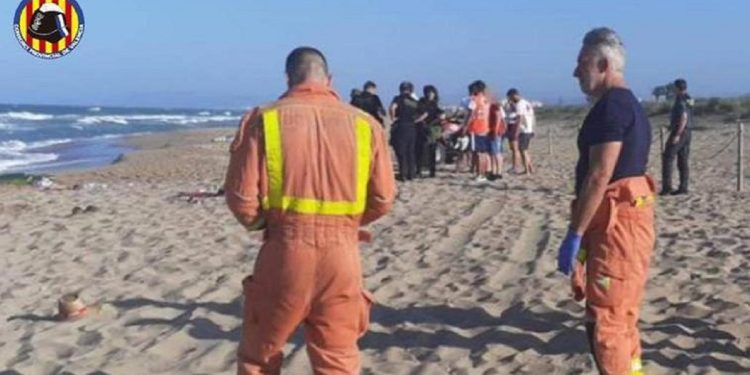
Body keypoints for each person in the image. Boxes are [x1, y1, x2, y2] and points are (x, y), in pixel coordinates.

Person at [225, 46, 396, 375]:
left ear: (289, 77)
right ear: (329, 79)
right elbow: (383, 199)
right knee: (338, 358)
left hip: (285, 250)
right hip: (343, 255)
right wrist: (346, 224)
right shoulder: (366, 125)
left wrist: (267, 223)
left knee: (259, 356)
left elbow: (241, 199)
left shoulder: (264, 119)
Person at [558, 28, 656, 375]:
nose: (575, 73)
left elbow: (601, 174)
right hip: (622, 224)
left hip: (618, 228)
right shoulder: (626, 104)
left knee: (608, 324)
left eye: (581, 64)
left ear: (602, 64)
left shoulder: (613, 107)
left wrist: (574, 233)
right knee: (621, 318)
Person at [660, 78, 693, 195]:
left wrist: (677, 134)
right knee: (683, 159)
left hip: (681, 131)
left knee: (668, 157)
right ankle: (683, 187)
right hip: (688, 131)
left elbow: (683, 116)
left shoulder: (680, 100)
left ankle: (667, 187)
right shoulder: (689, 98)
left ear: (677, 88)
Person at [390, 81, 420, 181]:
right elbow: (421, 113)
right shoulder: (414, 101)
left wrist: (393, 118)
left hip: (401, 126)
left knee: (401, 151)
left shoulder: (398, 98)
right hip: (412, 127)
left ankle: (403, 174)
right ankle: (411, 174)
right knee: (410, 151)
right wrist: (415, 121)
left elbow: (392, 108)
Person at [464, 80, 492, 182]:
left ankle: (481, 174)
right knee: (483, 153)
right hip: (486, 128)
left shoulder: (474, 100)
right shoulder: (486, 100)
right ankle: (483, 173)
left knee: (478, 153)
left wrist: (465, 127)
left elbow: (470, 115)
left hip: (476, 128)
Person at [416, 85, 443, 178]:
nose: (431, 95)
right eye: (429, 93)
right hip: (423, 128)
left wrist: (441, 114)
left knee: (433, 150)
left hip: (434, 129)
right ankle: (418, 170)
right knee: (421, 150)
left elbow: (438, 112)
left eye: (432, 93)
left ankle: (432, 171)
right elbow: (420, 113)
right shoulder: (421, 102)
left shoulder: (434, 103)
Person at [508, 89, 536, 174]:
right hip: (529, 128)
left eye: (510, 97)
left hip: (524, 130)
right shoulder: (526, 103)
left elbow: (520, 118)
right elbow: (532, 117)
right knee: (525, 150)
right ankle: (530, 168)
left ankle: (527, 170)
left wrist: (516, 131)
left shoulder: (520, 104)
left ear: (514, 95)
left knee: (522, 150)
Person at [503, 92, 523, 173]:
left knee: (515, 148)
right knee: (513, 148)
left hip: (514, 125)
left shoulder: (518, 105)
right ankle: (515, 165)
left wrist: (511, 104)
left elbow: (518, 115)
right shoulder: (509, 104)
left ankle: (516, 166)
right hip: (510, 125)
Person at [488, 97, 506, 180]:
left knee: (496, 153)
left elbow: (498, 118)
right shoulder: (492, 107)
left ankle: (498, 172)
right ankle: (495, 171)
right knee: (494, 153)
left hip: (495, 132)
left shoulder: (494, 107)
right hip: (495, 131)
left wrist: (495, 130)